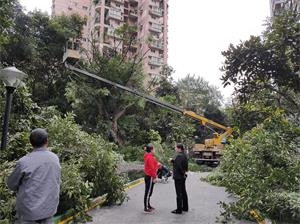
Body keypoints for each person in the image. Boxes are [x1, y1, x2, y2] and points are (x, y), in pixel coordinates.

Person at [7, 128, 61, 224]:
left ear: (31, 143)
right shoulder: (54, 158)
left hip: (28, 214)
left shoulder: (24, 162)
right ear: (46, 141)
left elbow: (11, 184)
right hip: (48, 210)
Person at [171, 143, 189, 214]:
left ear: (179, 148)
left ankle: (179, 209)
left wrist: (182, 174)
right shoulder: (184, 155)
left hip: (178, 177)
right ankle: (185, 207)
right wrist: (173, 161)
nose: (175, 149)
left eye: (175, 147)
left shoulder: (179, 156)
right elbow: (184, 165)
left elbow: (179, 166)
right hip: (182, 176)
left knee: (179, 193)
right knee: (183, 192)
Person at [143, 143, 159, 213]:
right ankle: (146, 207)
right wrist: (154, 177)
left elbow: (153, 165)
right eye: (154, 148)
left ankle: (148, 205)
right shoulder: (150, 157)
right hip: (149, 176)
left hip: (149, 176)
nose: (154, 150)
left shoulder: (148, 156)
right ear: (151, 150)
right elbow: (152, 168)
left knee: (149, 191)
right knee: (148, 192)